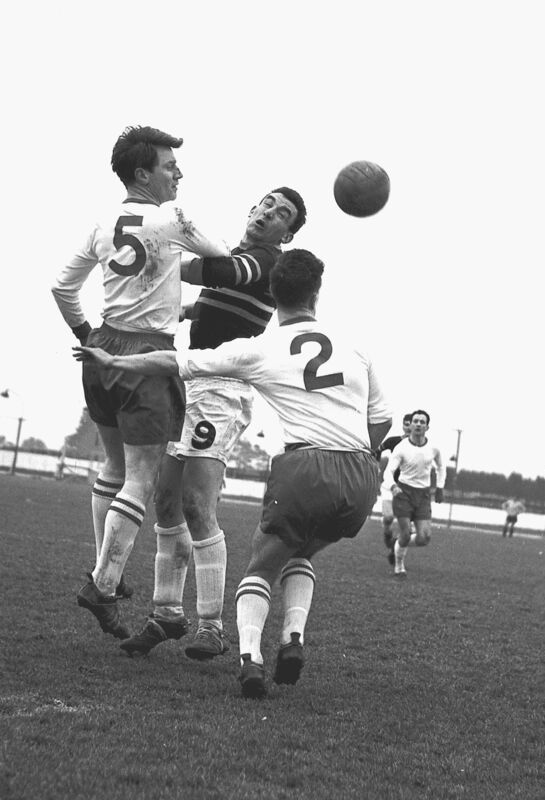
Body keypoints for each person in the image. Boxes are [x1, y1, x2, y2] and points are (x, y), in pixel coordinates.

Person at [73, 248, 393, 698]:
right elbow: (382, 420)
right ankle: (261, 632)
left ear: (272, 295)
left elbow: (172, 362)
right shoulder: (355, 346)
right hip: (360, 472)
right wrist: (362, 458)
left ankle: (240, 651)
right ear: (316, 293)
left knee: (250, 559)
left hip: (293, 457)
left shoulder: (261, 347)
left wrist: (114, 360)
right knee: (288, 548)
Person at [52, 125, 229, 640]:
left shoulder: (101, 223)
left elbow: (61, 287)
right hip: (147, 354)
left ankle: (105, 569)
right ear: (142, 173)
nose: (179, 173)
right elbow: (220, 252)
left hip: (102, 348)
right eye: (170, 166)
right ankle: (102, 585)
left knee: (113, 467)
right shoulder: (171, 218)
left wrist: (86, 334)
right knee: (142, 478)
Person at [120, 186, 307, 661]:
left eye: (282, 213)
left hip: (222, 390)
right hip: (191, 382)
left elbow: (224, 273)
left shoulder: (266, 260)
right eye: (266, 203)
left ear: (287, 234)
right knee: (166, 500)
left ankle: (211, 625)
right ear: (253, 208)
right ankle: (166, 613)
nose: (268, 212)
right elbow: (205, 307)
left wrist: (159, 256)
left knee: (196, 503)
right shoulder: (239, 254)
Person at [385, 410, 446, 577]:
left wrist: (440, 487)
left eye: (422, 422)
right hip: (403, 493)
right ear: (410, 425)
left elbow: (441, 467)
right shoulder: (401, 448)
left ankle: (396, 543)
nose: (418, 424)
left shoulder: (434, 448)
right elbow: (388, 471)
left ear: (427, 427)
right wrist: (393, 486)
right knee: (405, 534)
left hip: (423, 495)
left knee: (424, 538)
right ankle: (399, 567)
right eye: (415, 421)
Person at [375, 413, 412, 556]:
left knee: (408, 527)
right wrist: (376, 467)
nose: (409, 428)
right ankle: (388, 535)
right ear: (403, 426)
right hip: (390, 485)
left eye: (411, 425)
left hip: (408, 488)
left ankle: (395, 549)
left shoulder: (420, 447)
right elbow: (377, 450)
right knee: (388, 517)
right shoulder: (394, 441)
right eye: (406, 425)